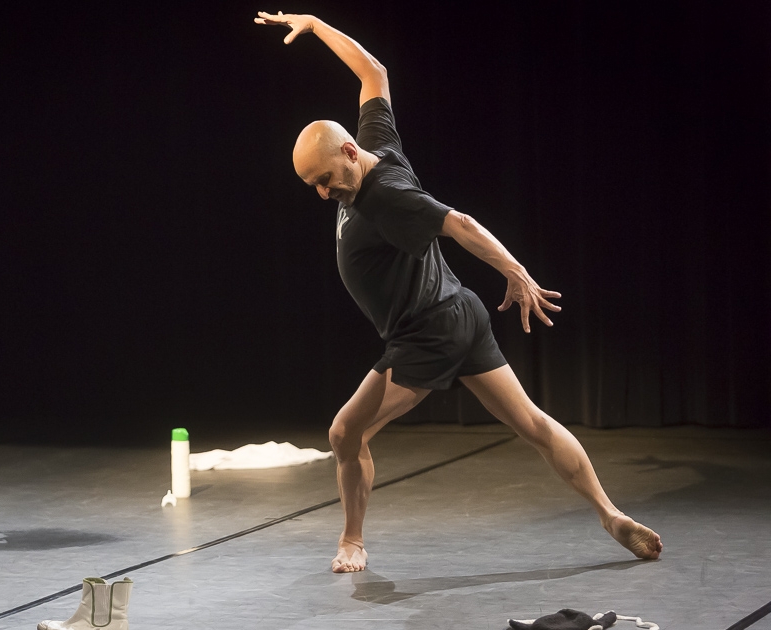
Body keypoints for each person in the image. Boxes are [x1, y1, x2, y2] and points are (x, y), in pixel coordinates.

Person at [254, 11, 663, 573]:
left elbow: (462, 224)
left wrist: (515, 271)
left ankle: (352, 541)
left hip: (427, 332)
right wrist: (317, 25)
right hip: (460, 313)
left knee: (345, 432)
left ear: (348, 153)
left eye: (325, 179)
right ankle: (610, 514)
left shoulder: (386, 194)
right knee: (534, 424)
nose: (323, 193)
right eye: (312, 186)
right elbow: (373, 74)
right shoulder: (377, 145)